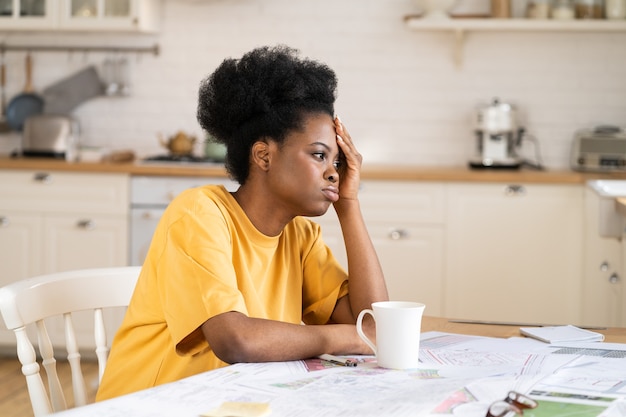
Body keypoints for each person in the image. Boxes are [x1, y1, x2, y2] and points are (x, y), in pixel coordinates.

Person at [96, 45, 388, 401]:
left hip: (228, 403)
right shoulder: (199, 214)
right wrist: (341, 337)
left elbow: (372, 326)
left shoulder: (301, 237)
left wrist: (350, 205)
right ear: (263, 155)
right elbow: (236, 339)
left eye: (337, 161)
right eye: (318, 155)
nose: (333, 172)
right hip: (150, 405)